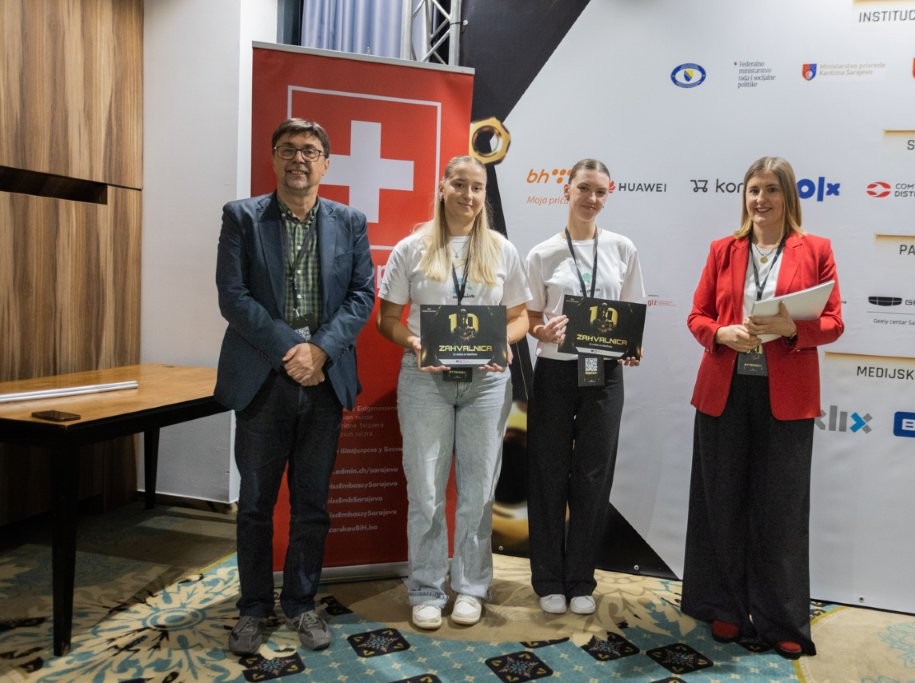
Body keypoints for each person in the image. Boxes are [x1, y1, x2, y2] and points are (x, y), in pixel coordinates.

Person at [215, 118, 375, 654]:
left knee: (312, 503)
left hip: (324, 381)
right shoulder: (242, 217)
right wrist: (293, 350)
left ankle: (302, 603)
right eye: (287, 149)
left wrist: (321, 351)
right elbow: (233, 296)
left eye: (309, 150)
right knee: (255, 504)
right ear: (274, 158)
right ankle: (253, 608)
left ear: (326, 163)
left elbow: (361, 295)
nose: (298, 159)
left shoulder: (350, 221)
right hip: (264, 378)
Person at [682, 156, 843, 659]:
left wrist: (794, 327)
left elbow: (834, 322)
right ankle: (725, 607)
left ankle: (781, 619)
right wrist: (721, 333)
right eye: (754, 190)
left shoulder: (816, 249)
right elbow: (697, 315)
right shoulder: (723, 249)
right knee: (722, 501)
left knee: (781, 511)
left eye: (772, 190)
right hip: (724, 392)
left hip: (787, 398)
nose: (761, 199)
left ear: (787, 196)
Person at [376, 155, 530, 630]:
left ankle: (470, 587)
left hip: (487, 384)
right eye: (459, 184)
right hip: (426, 381)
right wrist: (415, 342)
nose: (468, 194)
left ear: (485, 195)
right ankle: (426, 587)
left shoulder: (501, 250)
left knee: (478, 493)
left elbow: (520, 317)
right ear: (442, 187)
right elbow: (387, 320)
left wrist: (504, 343)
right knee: (425, 490)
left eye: (477, 187)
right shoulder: (412, 248)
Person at [524, 158, 645, 616]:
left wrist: (632, 345)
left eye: (600, 192)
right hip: (555, 371)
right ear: (567, 190)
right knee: (548, 473)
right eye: (584, 189)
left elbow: (631, 309)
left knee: (594, 476)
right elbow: (530, 316)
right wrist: (541, 331)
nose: (591, 199)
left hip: (604, 374)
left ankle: (580, 580)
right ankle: (548, 579)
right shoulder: (543, 253)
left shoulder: (622, 248)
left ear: (607, 196)